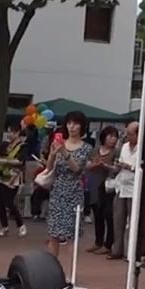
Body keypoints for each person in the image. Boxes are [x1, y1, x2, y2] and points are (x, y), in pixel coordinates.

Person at [45, 110, 91, 259]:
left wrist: (64, 152)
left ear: (81, 126)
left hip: (74, 193)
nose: (72, 127)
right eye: (69, 123)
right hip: (57, 191)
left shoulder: (86, 147)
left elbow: (77, 168)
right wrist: (52, 153)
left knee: (71, 234)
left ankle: (72, 272)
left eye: (76, 124)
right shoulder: (60, 144)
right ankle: (52, 269)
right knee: (54, 234)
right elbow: (49, 168)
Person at [85, 125, 119, 255]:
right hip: (95, 185)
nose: (113, 139)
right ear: (104, 137)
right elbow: (87, 165)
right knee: (97, 214)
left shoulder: (116, 152)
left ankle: (108, 244)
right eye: (110, 136)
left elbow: (116, 168)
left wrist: (105, 166)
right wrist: (95, 164)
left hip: (109, 186)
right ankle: (98, 241)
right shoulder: (95, 150)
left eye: (115, 136)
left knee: (108, 215)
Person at [110, 121, 139, 260]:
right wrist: (117, 166)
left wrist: (129, 167)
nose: (127, 136)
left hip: (134, 189)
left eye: (130, 134)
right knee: (118, 220)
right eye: (126, 133)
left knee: (132, 222)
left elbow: (141, 167)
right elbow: (119, 162)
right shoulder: (125, 146)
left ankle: (131, 252)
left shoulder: (142, 147)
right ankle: (117, 250)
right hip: (121, 187)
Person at [0, 126, 27, 238]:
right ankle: (4, 226)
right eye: (8, 132)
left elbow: (20, 161)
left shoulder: (22, 146)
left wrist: (5, 161)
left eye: (12, 132)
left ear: (18, 133)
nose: (9, 135)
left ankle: (21, 225)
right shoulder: (6, 145)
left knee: (9, 202)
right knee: (0, 203)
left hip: (14, 178)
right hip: (1, 177)